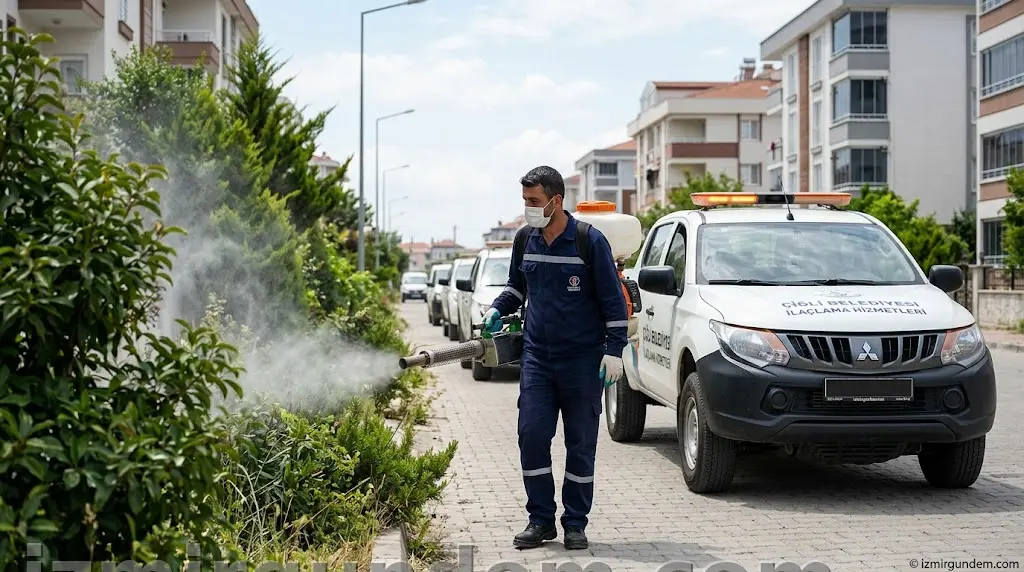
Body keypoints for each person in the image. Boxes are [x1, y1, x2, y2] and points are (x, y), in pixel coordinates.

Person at [483, 165, 628, 551]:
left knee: (580, 444)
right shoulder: (524, 238)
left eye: (534, 201)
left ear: (555, 200)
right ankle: (541, 520)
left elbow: (613, 303)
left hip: (582, 361)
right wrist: (498, 308)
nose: (529, 208)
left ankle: (575, 524)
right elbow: (517, 286)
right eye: (526, 201)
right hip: (537, 360)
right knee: (532, 437)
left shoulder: (588, 241)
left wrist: (614, 351)